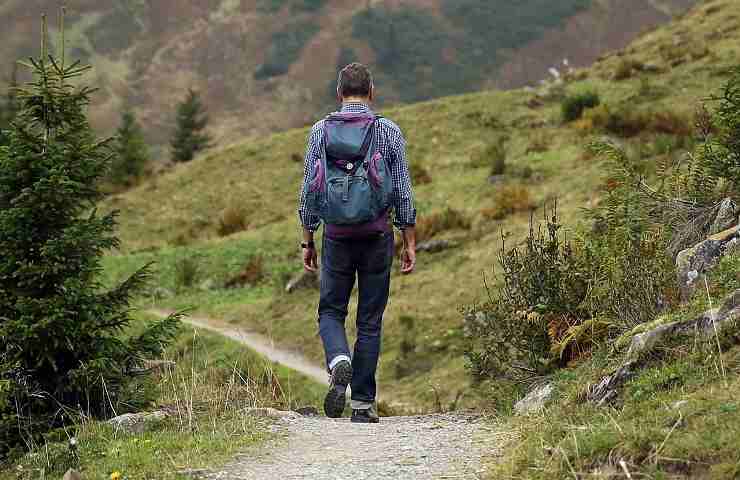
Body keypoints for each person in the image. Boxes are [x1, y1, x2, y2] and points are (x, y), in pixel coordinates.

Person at [298, 63, 416, 423]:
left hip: (336, 235)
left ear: (339, 94)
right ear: (371, 92)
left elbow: (309, 191)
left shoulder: (320, 132)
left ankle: (338, 360)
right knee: (369, 319)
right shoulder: (389, 132)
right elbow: (403, 192)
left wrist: (308, 239)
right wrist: (408, 238)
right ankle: (363, 404)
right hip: (377, 234)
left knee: (331, 311)